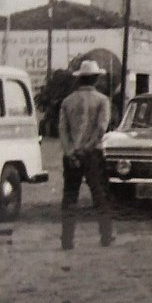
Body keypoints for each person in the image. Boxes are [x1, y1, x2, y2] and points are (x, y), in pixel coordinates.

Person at [58, 60, 114, 250]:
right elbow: (100, 129)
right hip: (93, 154)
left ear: (80, 78)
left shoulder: (67, 101)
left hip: (71, 155)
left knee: (70, 196)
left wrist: (71, 152)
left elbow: (63, 131)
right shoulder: (102, 100)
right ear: (96, 79)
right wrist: (86, 149)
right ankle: (105, 236)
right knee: (100, 195)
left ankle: (67, 239)